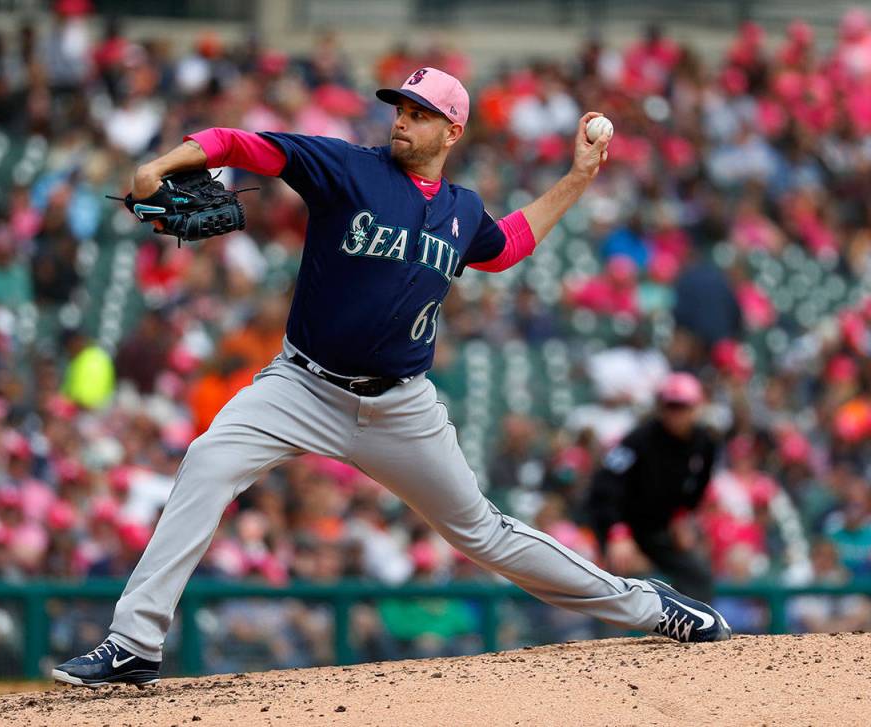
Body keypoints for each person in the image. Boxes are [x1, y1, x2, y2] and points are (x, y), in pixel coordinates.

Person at [54, 67, 730, 688]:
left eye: (421, 111)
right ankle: (135, 641)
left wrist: (579, 177)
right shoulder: (348, 168)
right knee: (206, 460)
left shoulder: (463, 209)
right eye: (400, 107)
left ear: (452, 130)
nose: (403, 119)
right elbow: (243, 143)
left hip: (401, 408)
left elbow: (508, 248)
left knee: (484, 533)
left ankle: (652, 605)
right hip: (301, 386)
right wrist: (164, 163)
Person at [586, 372, 720, 603]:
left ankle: (698, 630)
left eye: (682, 406)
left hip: (656, 526)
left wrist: (681, 515)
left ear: (696, 408)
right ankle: (607, 638)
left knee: (697, 573)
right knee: (616, 580)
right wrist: (617, 532)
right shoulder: (639, 440)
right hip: (621, 523)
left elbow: (699, 484)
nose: (675, 413)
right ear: (661, 407)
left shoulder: (704, 442)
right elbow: (605, 485)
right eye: (670, 406)